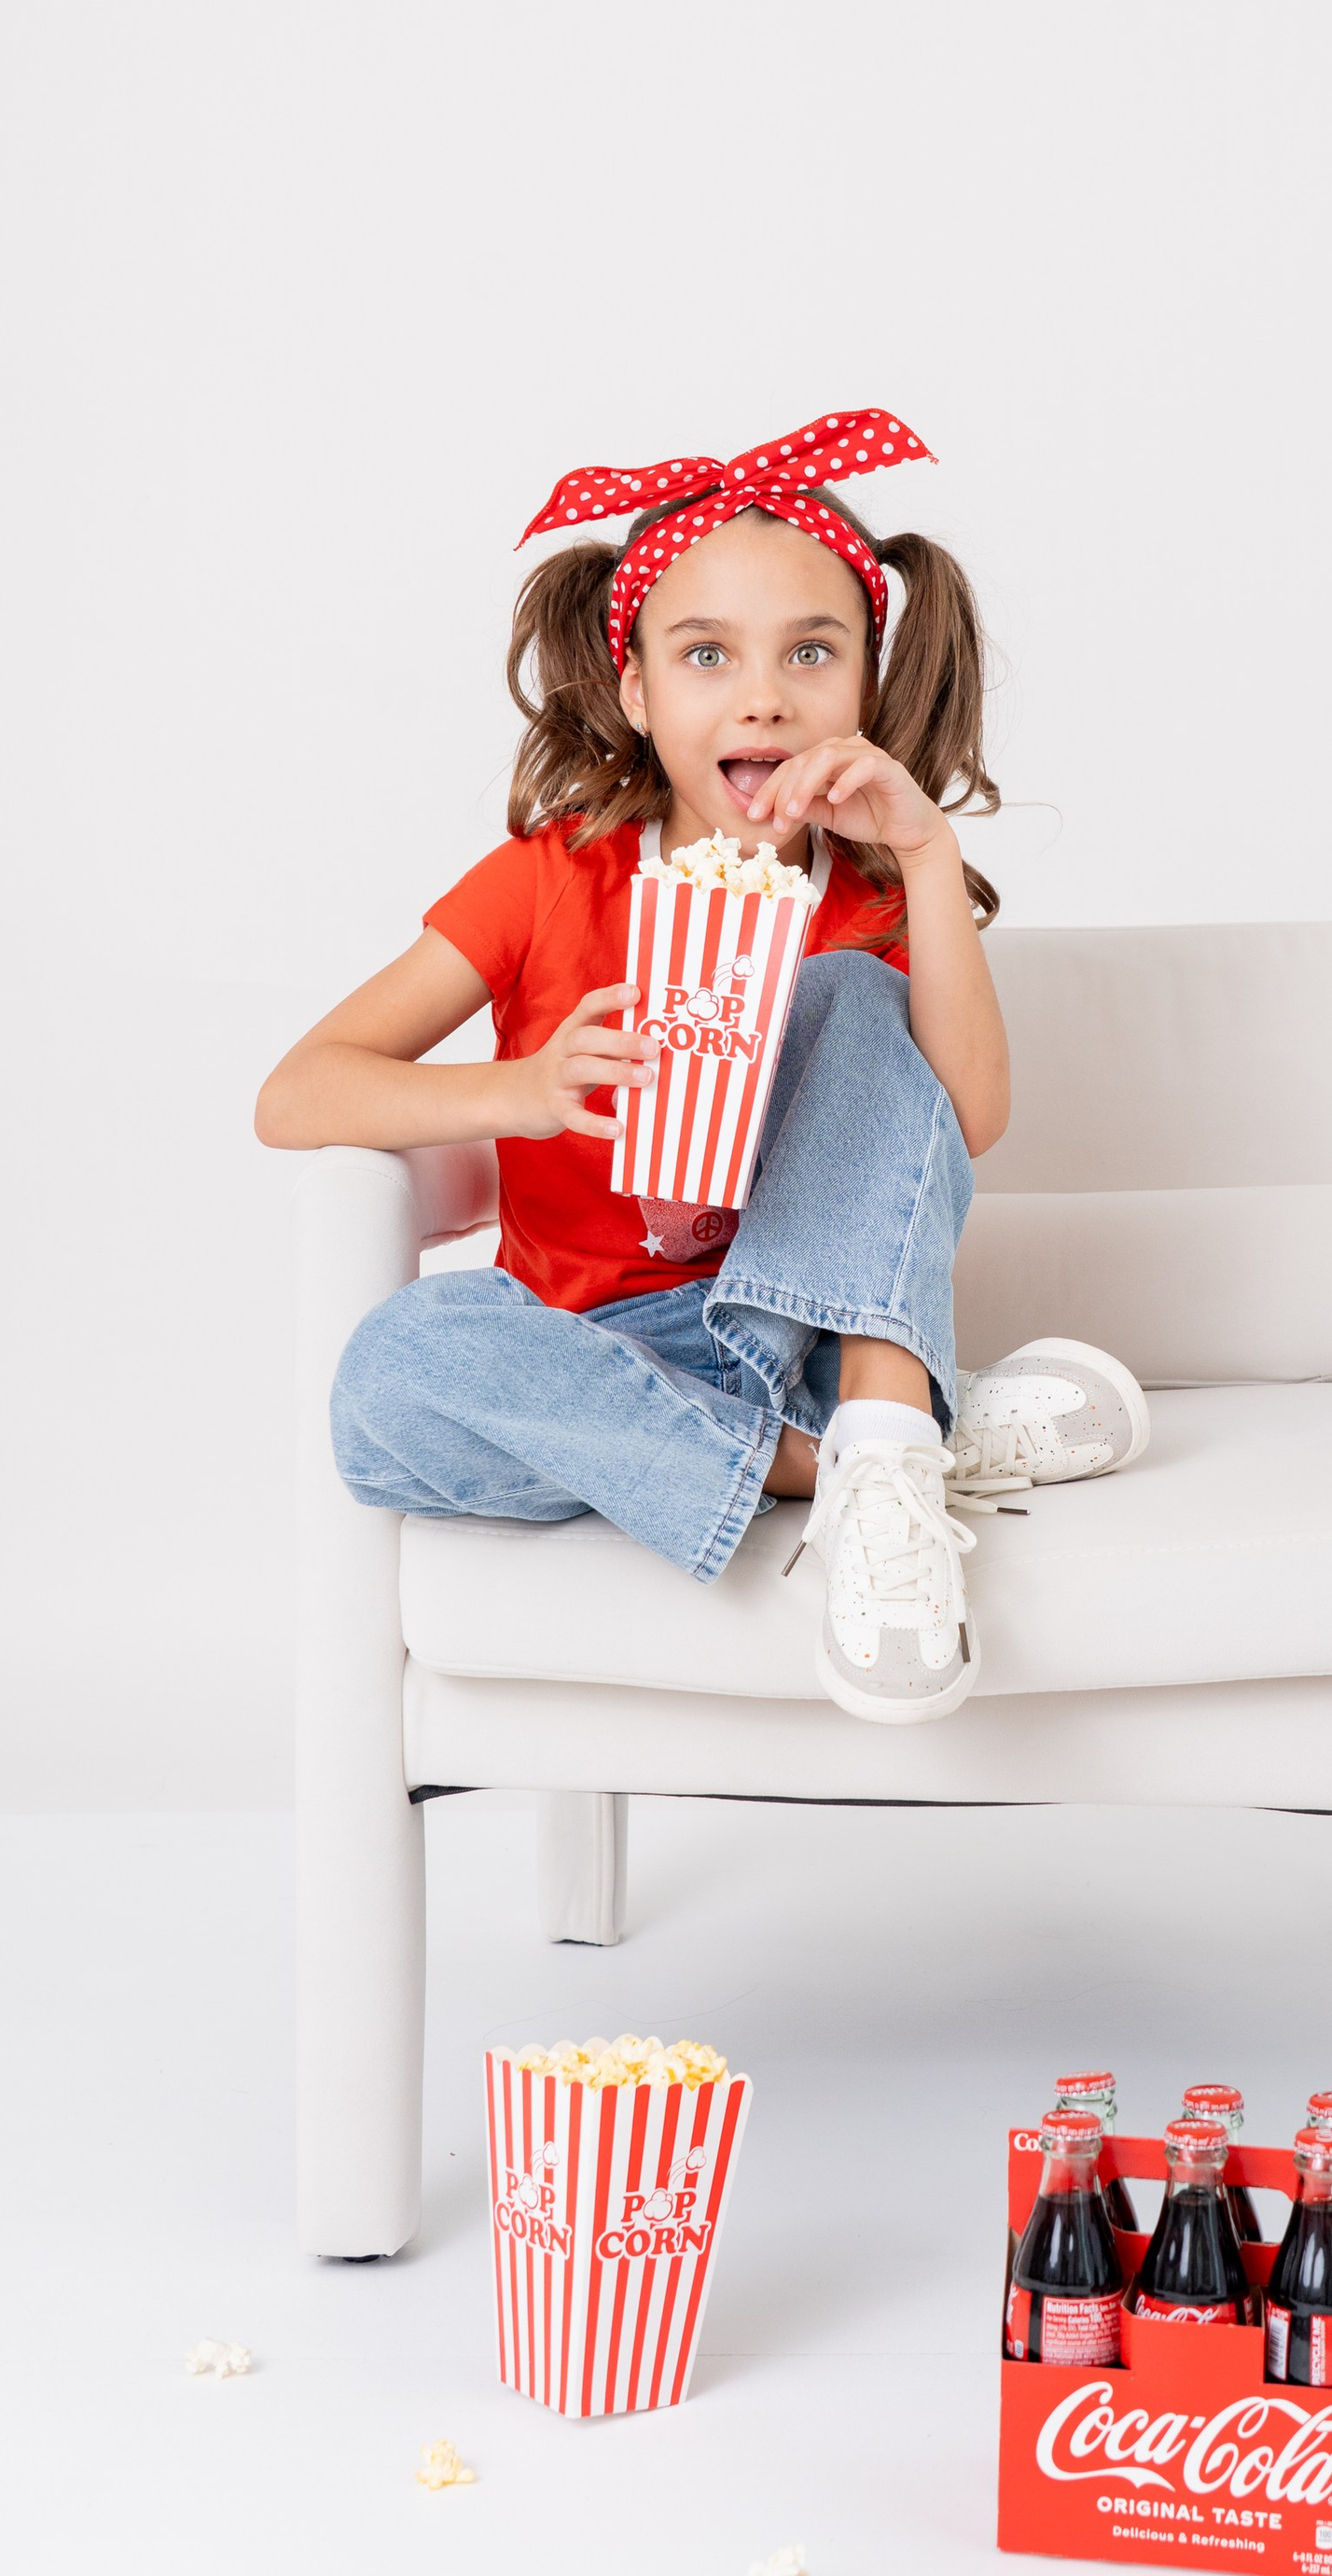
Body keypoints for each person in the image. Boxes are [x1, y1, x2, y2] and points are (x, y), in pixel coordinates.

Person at [256, 407, 1146, 1723]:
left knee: (852, 998)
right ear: (638, 691)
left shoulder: (870, 897)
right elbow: (297, 1093)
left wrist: (925, 855)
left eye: (811, 651)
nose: (762, 694)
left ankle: (881, 1418)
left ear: (867, 684)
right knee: (396, 1368)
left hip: (809, 1320)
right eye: (707, 653)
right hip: (591, 1352)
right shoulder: (547, 880)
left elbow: (969, 1118)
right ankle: (862, 1459)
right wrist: (524, 1090)